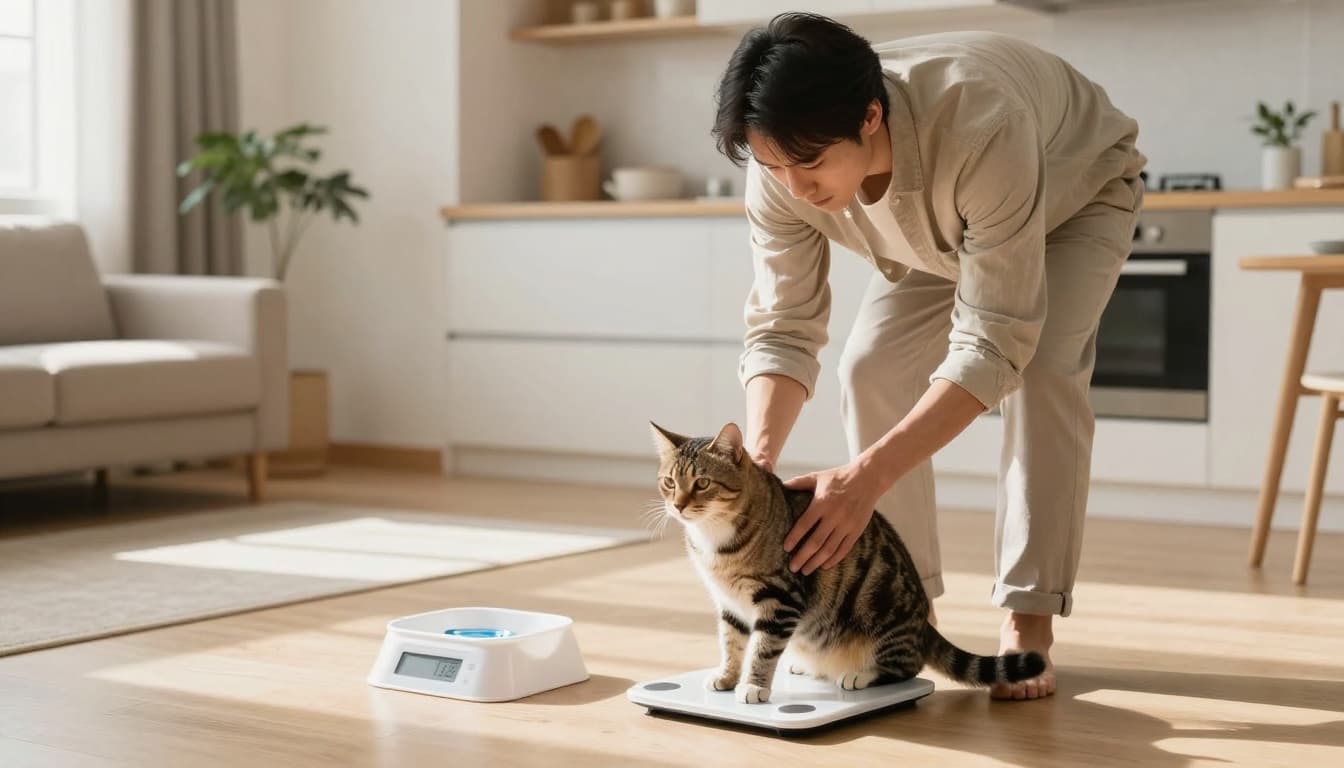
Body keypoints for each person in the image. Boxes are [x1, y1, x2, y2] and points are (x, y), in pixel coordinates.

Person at [711, 13, 1145, 700]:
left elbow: (996, 338)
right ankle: (907, 615)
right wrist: (755, 467)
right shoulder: (784, 160)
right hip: (941, 235)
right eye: (773, 167)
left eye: (810, 164)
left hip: (1072, 200)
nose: (793, 187)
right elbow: (783, 325)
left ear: (871, 117)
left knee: (1041, 370)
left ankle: (1028, 615)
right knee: (870, 365)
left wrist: (864, 480)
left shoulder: (982, 125)